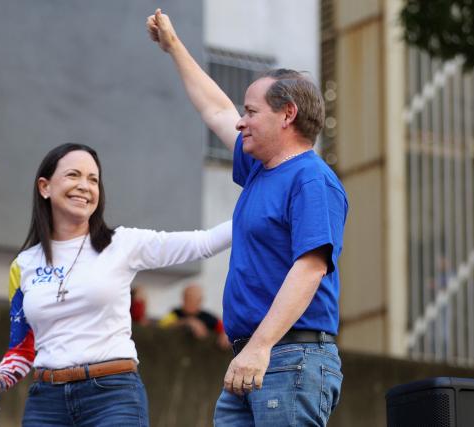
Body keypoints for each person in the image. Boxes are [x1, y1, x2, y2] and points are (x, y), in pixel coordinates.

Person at [147, 9, 348, 426]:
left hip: (288, 356)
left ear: (287, 114)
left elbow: (310, 268)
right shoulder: (261, 169)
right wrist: (175, 47)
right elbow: (215, 109)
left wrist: (261, 346)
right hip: (255, 355)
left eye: (252, 112)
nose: (241, 121)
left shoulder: (311, 179)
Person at [0, 143, 231, 427]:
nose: (85, 186)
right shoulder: (23, 265)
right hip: (46, 402)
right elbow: (22, 346)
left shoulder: (121, 244)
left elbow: (203, 243)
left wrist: (260, 207)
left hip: (113, 396)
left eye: (93, 179)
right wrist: (0, 379)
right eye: (73, 175)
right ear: (44, 187)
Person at [158, 283, 230, 349]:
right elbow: (162, 326)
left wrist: (225, 334)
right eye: (187, 297)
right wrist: (188, 321)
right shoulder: (175, 313)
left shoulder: (208, 317)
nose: (189, 301)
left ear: (200, 301)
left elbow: (224, 328)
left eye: (193, 298)